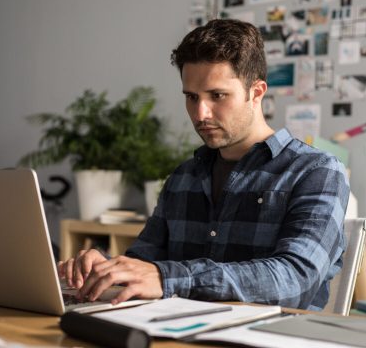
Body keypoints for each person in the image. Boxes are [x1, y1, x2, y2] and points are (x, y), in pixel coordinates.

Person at [58, 19, 350, 310]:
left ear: (257, 93)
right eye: (191, 97)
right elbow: (145, 264)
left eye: (217, 96)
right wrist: (107, 269)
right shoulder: (184, 176)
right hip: (178, 333)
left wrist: (169, 277)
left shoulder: (316, 172)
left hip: (274, 337)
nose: (200, 113)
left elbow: (294, 280)